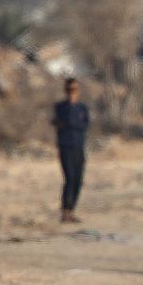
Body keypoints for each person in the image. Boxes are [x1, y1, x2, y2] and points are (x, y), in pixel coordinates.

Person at [51, 77, 90, 224]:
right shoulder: (61, 107)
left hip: (79, 146)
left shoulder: (82, 108)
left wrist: (70, 123)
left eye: (74, 90)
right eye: (69, 90)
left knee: (78, 180)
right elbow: (62, 122)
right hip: (65, 146)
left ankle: (72, 209)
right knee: (69, 177)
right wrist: (71, 120)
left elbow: (84, 125)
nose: (71, 93)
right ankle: (65, 210)